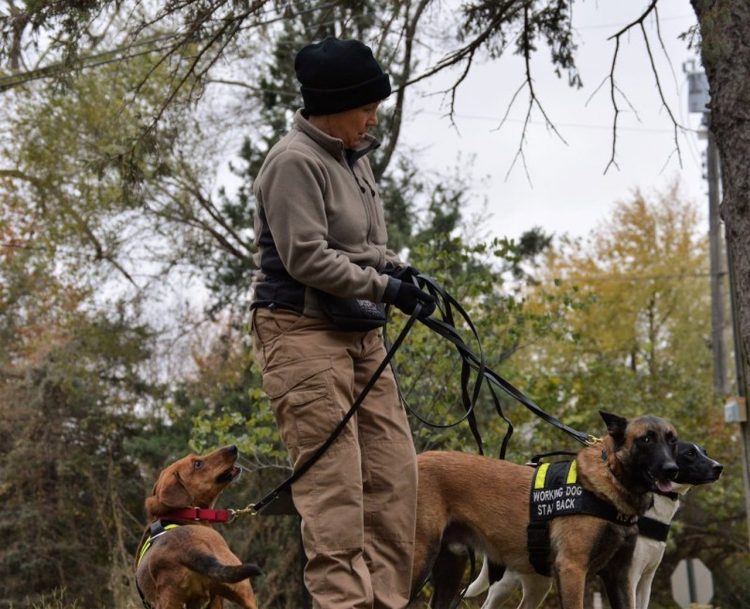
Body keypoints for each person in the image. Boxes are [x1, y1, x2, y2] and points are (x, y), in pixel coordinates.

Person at [249, 36, 436, 609]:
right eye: (367, 106)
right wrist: (386, 288)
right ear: (333, 104)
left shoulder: (354, 158)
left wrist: (403, 274)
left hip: (360, 333)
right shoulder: (293, 163)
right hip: (301, 334)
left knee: (394, 483)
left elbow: (364, 248)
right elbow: (307, 256)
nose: (374, 116)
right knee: (336, 496)